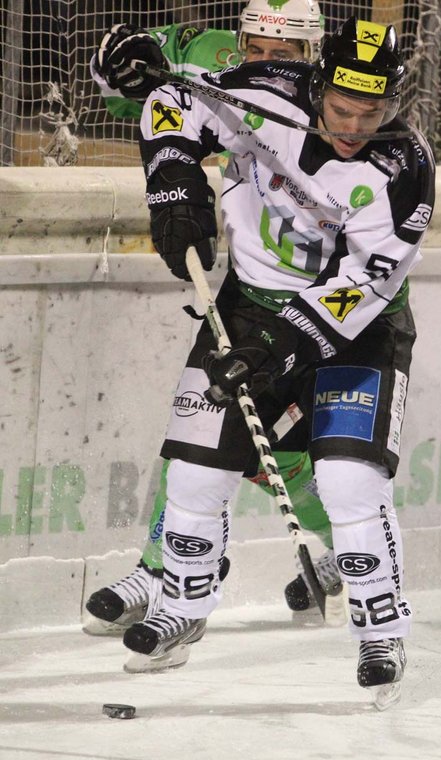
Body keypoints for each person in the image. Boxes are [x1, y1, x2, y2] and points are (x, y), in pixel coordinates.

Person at [120, 15, 436, 706]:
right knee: (196, 470)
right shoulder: (264, 89)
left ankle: (381, 630)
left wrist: (280, 347)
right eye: (341, 108)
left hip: (359, 329)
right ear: (317, 86)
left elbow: (370, 281)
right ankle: (182, 604)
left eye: (373, 112)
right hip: (248, 306)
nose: (354, 126)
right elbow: (171, 99)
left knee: (348, 482)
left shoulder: (403, 167)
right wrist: (173, 186)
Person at [83, 0, 344, 639]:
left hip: (325, 299)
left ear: (311, 53)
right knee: (199, 425)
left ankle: (353, 547)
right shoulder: (206, 53)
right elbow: (125, 88)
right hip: (247, 288)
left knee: (280, 455)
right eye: (255, 49)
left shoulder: (339, 95)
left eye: (283, 55)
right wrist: (120, 66)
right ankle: (164, 570)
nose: (265, 64)